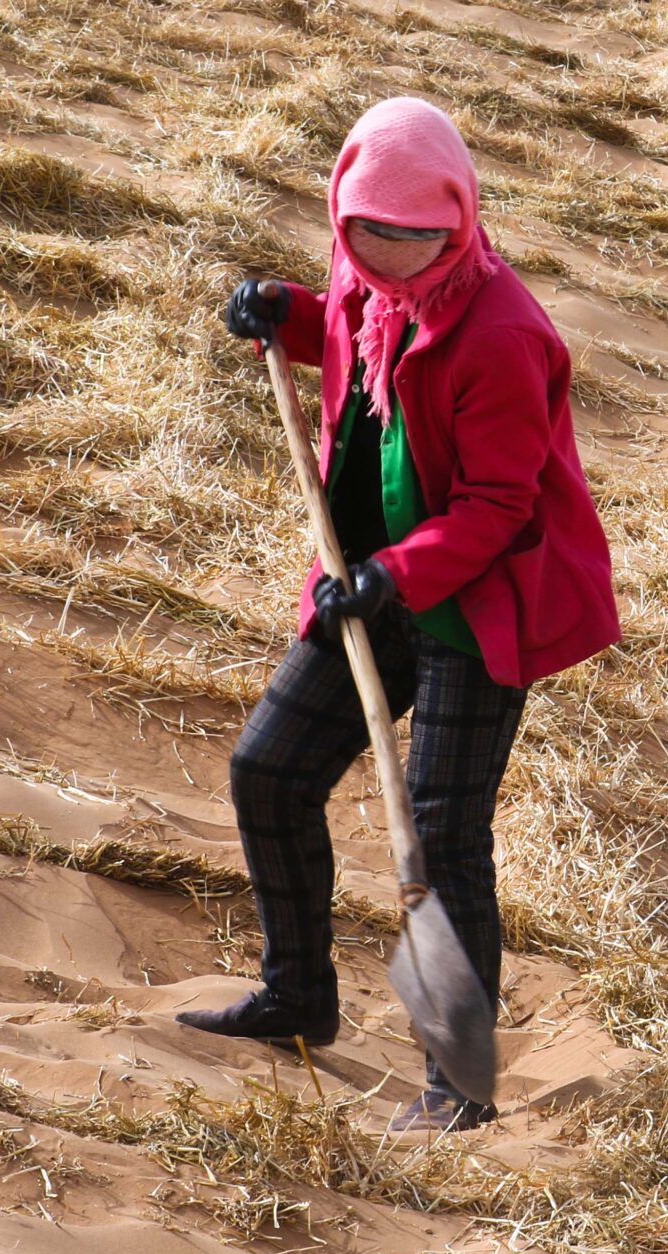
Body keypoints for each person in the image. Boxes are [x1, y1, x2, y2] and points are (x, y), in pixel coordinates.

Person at [180, 97, 620, 1131]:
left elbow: (500, 509)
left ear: (459, 221)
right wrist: (279, 311)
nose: (390, 257)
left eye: (416, 238)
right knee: (269, 768)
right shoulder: (360, 273)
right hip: (371, 574)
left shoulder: (505, 336)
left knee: (439, 831)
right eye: (366, 234)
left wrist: (394, 579)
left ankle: (457, 1085)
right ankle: (298, 994)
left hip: (481, 603)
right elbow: (340, 337)